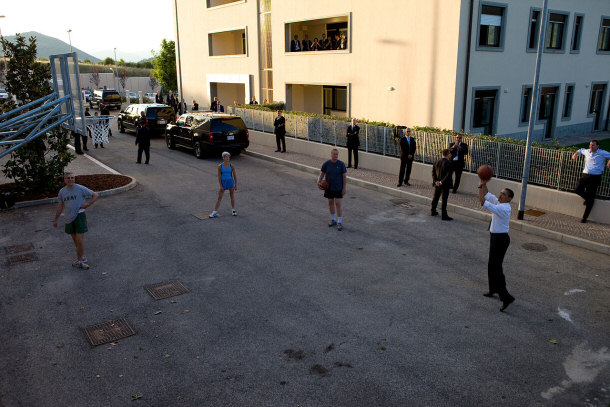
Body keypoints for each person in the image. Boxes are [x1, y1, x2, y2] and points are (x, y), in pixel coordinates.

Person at [478, 180, 515, 312]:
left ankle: (506, 297)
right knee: (491, 265)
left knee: (496, 268)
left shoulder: (503, 208)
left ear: (509, 198)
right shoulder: (500, 203)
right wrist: (483, 183)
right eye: (500, 193)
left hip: (501, 239)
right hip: (495, 238)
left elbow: (482, 201)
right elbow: (487, 194)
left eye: (503, 194)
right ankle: (493, 288)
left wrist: (479, 188)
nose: (500, 195)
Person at [53, 171, 99, 270]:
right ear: (64, 180)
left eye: (72, 178)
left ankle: (79, 260)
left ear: (74, 179)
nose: (70, 179)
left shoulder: (80, 188)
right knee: (76, 241)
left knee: (79, 240)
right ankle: (82, 257)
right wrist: (56, 219)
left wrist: (87, 204)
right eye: (68, 178)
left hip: (79, 216)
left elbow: (95, 195)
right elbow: (60, 206)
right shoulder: (62, 192)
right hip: (69, 218)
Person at [572, 140, 610, 223]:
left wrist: (609, 163)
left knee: (591, 195)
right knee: (577, 190)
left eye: (593, 145)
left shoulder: (602, 153)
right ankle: (588, 199)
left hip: (595, 177)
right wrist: (575, 155)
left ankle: (584, 218)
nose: (591, 147)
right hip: (585, 175)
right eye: (590, 145)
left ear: (597, 146)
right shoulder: (586, 151)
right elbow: (579, 150)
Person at [317, 149, 347, 231]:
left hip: (338, 188)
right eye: (334, 154)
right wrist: (318, 181)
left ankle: (339, 222)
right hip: (329, 188)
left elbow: (344, 177)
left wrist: (344, 188)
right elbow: (322, 174)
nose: (335, 156)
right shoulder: (326, 164)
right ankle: (333, 219)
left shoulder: (341, 164)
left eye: (337, 154)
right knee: (330, 203)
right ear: (331, 154)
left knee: (338, 203)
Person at [209, 151, 237, 218]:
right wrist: (221, 186)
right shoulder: (220, 166)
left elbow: (235, 176)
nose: (228, 158)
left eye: (229, 157)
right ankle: (215, 212)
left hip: (230, 182)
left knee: (232, 196)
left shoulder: (232, 166)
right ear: (223, 158)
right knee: (219, 197)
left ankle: (233, 210)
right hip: (223, 182)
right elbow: (219, 176)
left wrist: (236, 185)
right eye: (226, 157)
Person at [431, 148, 453, 220]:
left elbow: (433, 173)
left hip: (437, 183)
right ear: (447, 154)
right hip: (445, 184)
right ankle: (444, 215)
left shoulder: (437, 161)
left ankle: (433, 211)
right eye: (449, 153)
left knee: (436, 197)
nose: (450, 155)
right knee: (444, 199)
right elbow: (448, 175)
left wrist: (436, 181)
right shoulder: (449, 163)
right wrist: (441, 182)